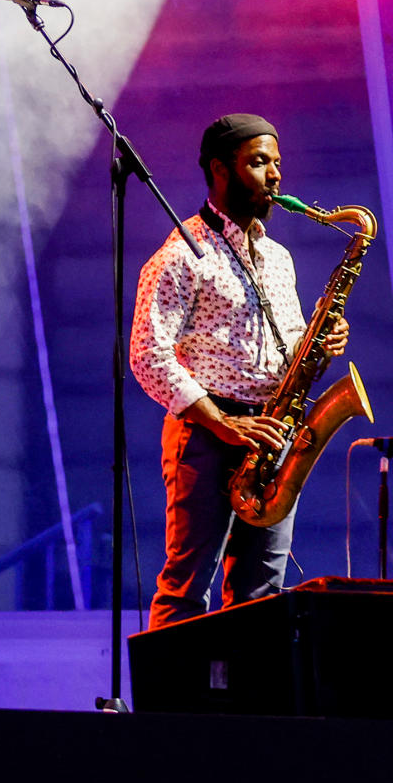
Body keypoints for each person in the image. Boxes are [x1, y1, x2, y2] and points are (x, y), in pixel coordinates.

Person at [129, 115, 349, 630]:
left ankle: (248, 710)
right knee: (187, 587)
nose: (274, 175)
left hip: (272, 435)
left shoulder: (278, 257)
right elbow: (147, 355)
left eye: (276, 163)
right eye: (258, 162)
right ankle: (173, 712)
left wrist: (320, 344)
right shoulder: (183, 254)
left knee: (261, 592)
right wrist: (220, 422)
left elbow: (290, 347)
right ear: (220, 169)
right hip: (207, 434)